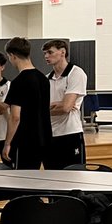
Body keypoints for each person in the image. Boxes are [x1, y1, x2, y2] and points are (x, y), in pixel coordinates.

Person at [3, 36, 52, 169]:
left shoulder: (18, 82)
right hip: (44, 138)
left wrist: (7, 143)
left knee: (21, 178)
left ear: (12, 56)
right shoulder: (44, 79)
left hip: (25, 141)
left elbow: (15, 117)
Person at [43, 39, 88, 169]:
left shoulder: (76, 73)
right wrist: (57, 105)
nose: (46, 56)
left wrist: (47, 109)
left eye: (50, 52)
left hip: (70, 133)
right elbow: (40, 107)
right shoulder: (46, 78)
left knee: (73, 174)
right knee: (51, 174)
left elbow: (66, 107)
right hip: (50, 134)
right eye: (45, 53)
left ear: (62, 52)